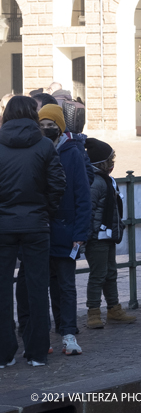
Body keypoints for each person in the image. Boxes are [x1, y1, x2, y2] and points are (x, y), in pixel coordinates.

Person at [0, 96, 65, 367]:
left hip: (3, 226)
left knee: (2, 290)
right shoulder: (44, 145)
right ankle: (37, 352)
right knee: (38, 288)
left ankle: (3, 354)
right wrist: (44, 212)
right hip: (37, 225)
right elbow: (57, 185)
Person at [39, 103, 91, 356]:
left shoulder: (73, 153)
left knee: (66, 284)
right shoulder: (36, 151)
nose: (47, 130)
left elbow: (83, 195)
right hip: (41, 230)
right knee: (46, 284)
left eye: (51, 126)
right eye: (43, 126)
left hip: (67, 230)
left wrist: (80, 234)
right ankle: (56, 329)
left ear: (60, 127)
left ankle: (68, 331)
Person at [83, 138, 135, 329]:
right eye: (110, 161)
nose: (113, 164)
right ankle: (93, 312)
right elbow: (88, 211)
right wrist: (88, 236)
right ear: (101, 163)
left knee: (110, 273)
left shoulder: (106, 180)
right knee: (98, 274)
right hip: (97, 238)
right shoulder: (96, 182)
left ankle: (114, 308)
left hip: (107, 236)